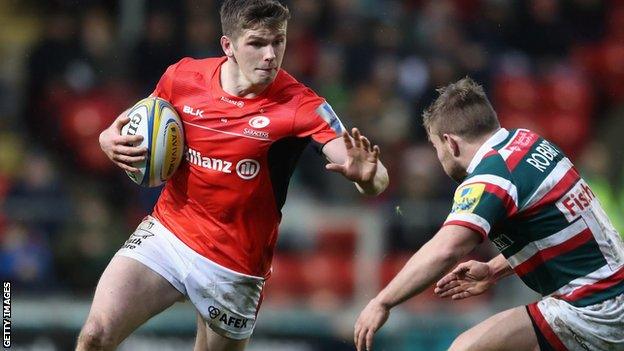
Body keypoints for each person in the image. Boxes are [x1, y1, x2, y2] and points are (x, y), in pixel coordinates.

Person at [78, 1, 389, 350]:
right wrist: (107, 136)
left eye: (279, 41)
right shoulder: (182, 77)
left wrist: (367, 176)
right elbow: (138, 119)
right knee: (95, 335)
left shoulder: (302, 105)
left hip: (234, 265)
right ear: (228, 45)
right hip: (168, 233)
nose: (270, 55)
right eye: (257, 43)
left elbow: (373, 176)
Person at [354, 77, 624, 351]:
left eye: (436, 148)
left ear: (450, 143)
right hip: (612, 294)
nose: (439, 158)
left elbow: (446, 249)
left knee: (465, 349)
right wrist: (494, 270)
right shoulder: (530, 143)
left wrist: (383, 301)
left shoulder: (491, 176)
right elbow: (563, 233)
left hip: (594, 309)